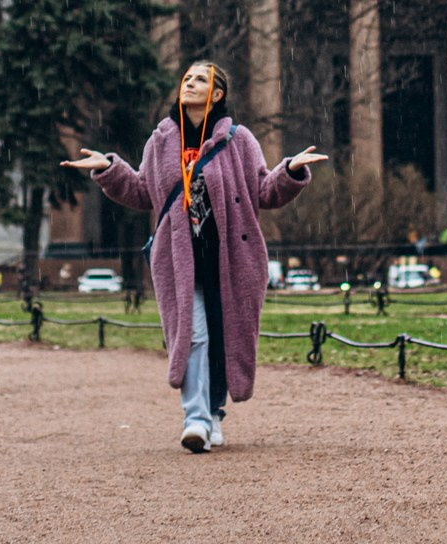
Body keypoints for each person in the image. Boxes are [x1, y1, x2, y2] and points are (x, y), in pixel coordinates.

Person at [67, 60, 327, 454]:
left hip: (231, 258)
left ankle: (214, 413)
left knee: (225, 338)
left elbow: (263, 192)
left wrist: (289, 170)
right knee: (194, 335)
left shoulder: (239, 140)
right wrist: (108, 169)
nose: (190, 83)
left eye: (200, 79)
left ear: (217, 94)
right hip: (178, 258)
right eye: (187, 78)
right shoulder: (161, 140)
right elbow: (143, 192)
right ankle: (195, 419)